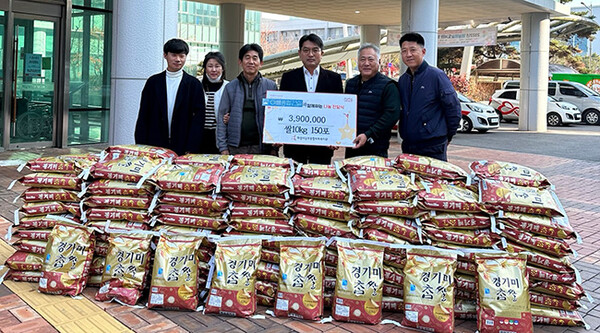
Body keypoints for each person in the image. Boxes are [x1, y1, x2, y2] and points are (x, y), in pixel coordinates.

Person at [279, 34, 343, 164]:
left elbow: (338, 113)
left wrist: (336, 138)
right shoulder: (288, 78)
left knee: (319, 182)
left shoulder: (334, 79)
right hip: (294, 146)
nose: (310, 54)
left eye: (315, 50)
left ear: (322, 53)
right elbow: (282, 110)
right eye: (306, 50)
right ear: (299, 53)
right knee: (294, 181)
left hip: (323, 147)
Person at [134, 38, 205, 156]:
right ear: (165, 55)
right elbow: (143, 115)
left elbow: (198, 119)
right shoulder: (153, 82)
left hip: (183, 145)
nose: (178, 59)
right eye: (174, 55)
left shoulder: (193, 84)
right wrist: (141, 144)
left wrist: (192, 146)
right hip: (155, 144)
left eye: (182, 56)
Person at [398, 32, 461, 161]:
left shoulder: (436, 76)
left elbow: (453, 107)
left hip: (433, 145)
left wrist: (448, 136)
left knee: (433, 181)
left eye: (413, 50)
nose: (408, 54)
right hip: (409, 144)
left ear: (423, 51)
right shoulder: (403, 80)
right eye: (404, 51)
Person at [216, 44, 278, 155]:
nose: (251, 61)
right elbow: (222, 117)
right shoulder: (230, 87)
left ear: (261, 63)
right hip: (235, 147)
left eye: (255, 58)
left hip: (262, 147)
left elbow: (276, 117)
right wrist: (223, 147)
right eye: (247, 57)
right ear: (240, 61)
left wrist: (274, 148)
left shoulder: (270, 86)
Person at [344, 43, 401, 158]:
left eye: (371, 59)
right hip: (351, 145)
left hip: (375, 148)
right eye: (362, 59)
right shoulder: (351, 84)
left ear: (379, 62)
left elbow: (391, 115)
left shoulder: (388, 86)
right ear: (358, 62)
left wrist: (368, 135)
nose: (366, 63)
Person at [200, 52, 228, 154]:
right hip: (200, 135)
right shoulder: (197, 84)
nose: (214, 70)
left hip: (219, 136)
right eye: (210, 66)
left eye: (217, 66)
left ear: (223, 68)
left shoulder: (228, 87)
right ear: (205, 68)